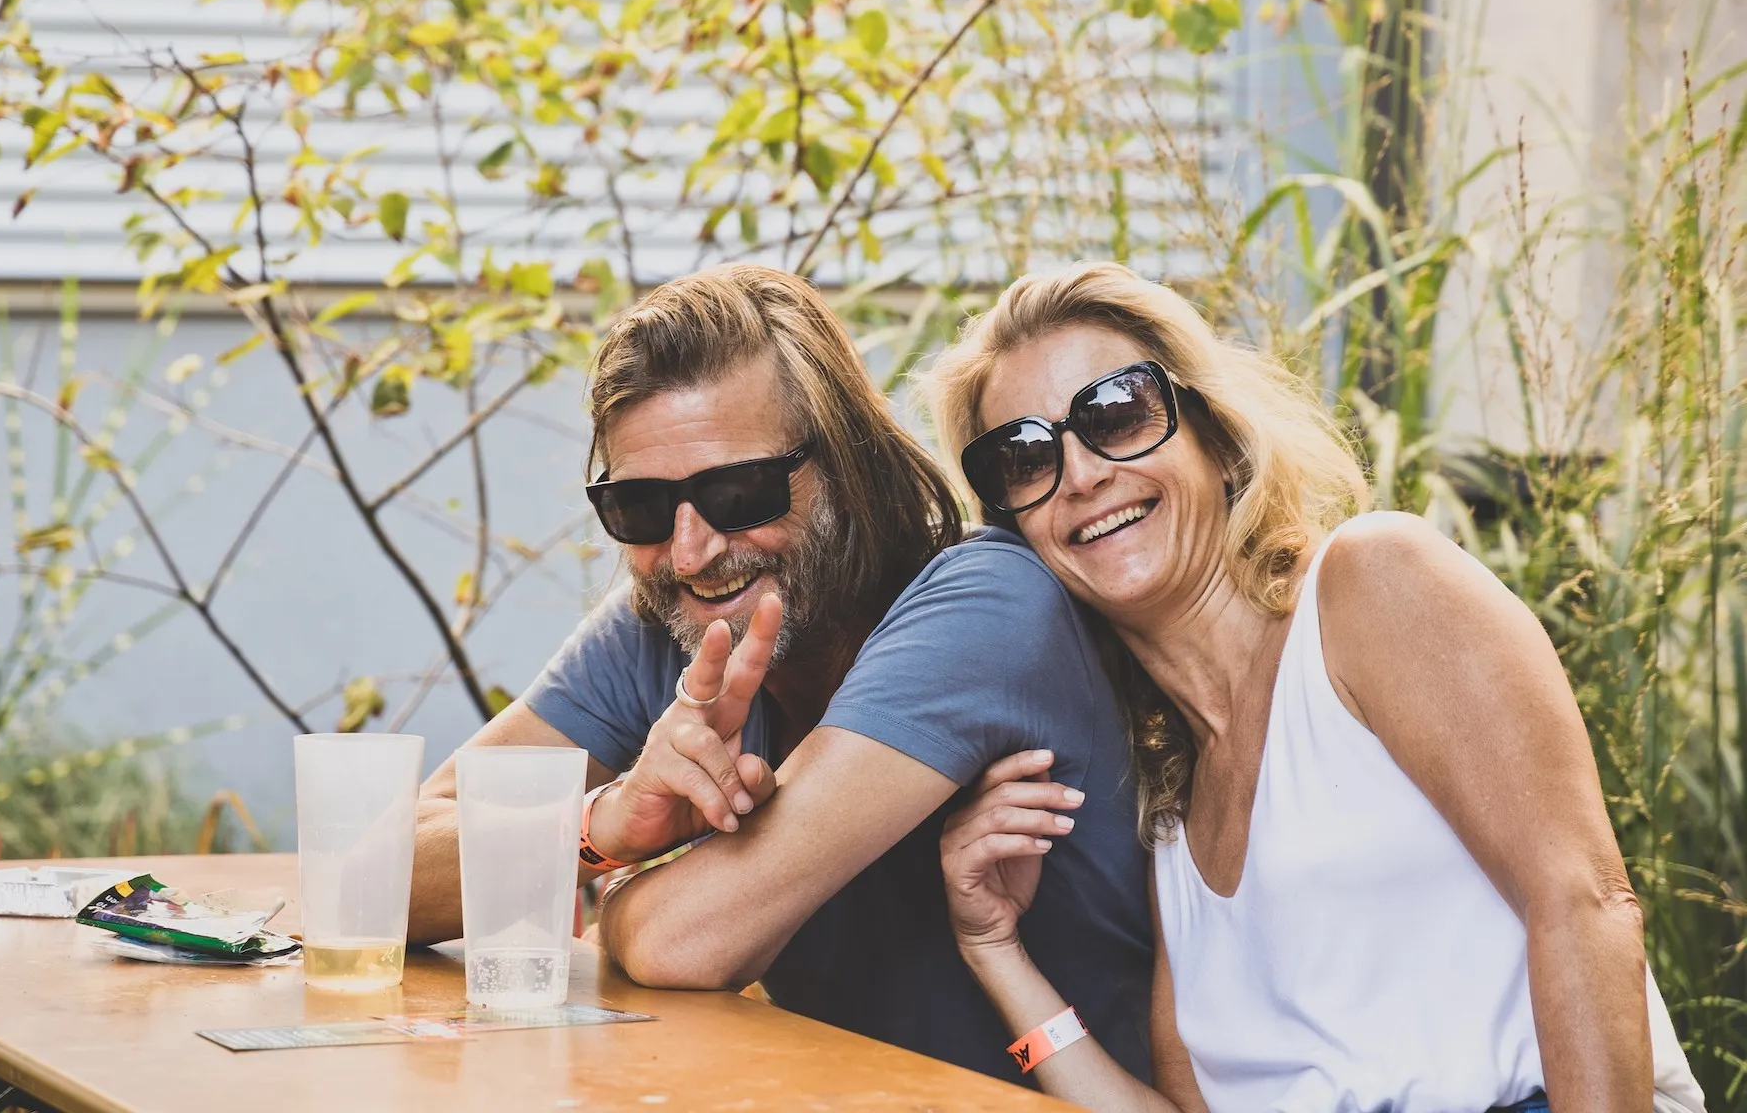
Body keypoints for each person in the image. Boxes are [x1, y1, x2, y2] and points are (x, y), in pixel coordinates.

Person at [923, 261, 1707, 1111]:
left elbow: (1584, 903)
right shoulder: (1173, 821)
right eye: (1024, 456)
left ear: (1215, 435)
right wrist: (995, 950)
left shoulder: (1373, 588)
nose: (1080, 474)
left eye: (1116, 413)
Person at [405, 264, 1154, 1084]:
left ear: (846, 465)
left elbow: (681, 940)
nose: (690, 550)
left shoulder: (989, 603)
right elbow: (381, 867)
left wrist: (617, 900)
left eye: (738, 490)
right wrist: (604, 825)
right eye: (641, 509)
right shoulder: (673, 618)